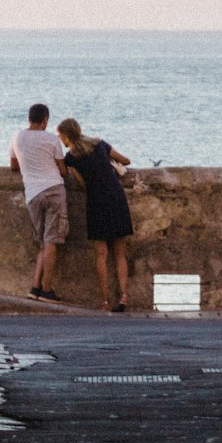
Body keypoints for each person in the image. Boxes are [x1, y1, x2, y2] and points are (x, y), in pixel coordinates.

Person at [57, 117, 133, 311]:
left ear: (66, 136)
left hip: (96, 201)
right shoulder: (100, 144)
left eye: (60, 135)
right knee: (119, 253)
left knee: (101, 254)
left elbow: (82, 184)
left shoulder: (70, 158)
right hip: (116, 196)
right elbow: (126, 160)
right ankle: (123, 297)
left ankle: (105, 301)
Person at [9, 103, 68, 300]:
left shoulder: (17, 137)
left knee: (42, 242)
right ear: (45, 120)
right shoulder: (52, 139)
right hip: (53, 191)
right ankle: (47, 289)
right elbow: (62, 170)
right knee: (52, 241)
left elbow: (13, 165)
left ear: (29, 118)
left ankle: (35, 287)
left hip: (33, 194)